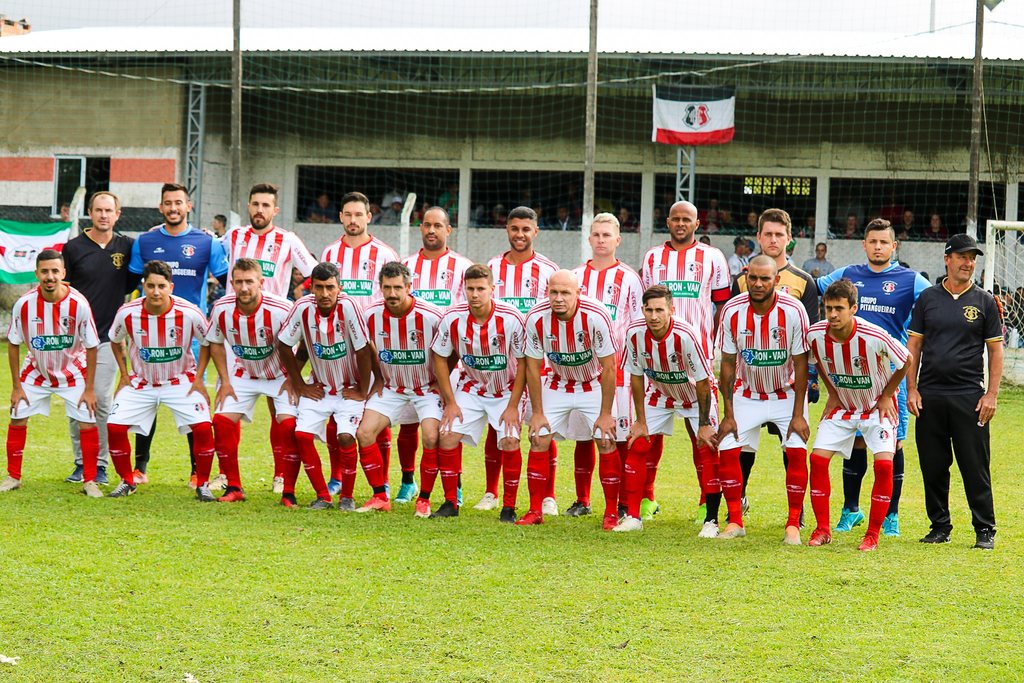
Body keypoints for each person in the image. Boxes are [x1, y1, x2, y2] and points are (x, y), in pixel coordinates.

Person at [815, 218, 931, 536]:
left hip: (890, 377)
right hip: (851, 379)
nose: (878, 247)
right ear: (864, 245)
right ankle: (850, 510)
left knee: (893, 447)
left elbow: (935, 301)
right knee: (853, 443)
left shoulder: (910, 280)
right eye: (873, 241)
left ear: (894, 247)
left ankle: (891, 514)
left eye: (884, 242)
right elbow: (815, 287)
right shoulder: (848, 275)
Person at [128, 183, 229, 487]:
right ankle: (140, 468)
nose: (173, 208)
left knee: (192, 403)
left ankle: (197, 471)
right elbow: (131, 284)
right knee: (146, 400)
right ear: (161, 207)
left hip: (190, 339)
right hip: (149, 336)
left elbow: (227, 282)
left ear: (189, 206)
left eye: (178, 203)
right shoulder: (145, 241)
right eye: (167, 203)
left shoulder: (206, 242)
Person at [907, 234, 1002, 550]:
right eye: (962, 256)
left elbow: (996, 352)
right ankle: (939, 526)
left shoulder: (985, 301)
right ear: (947, 259)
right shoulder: (928, 299)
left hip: (969, 396)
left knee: (975, 466)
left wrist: (991, 395)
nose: (968, 262)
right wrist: (912, 389)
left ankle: (984, 530)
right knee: (933, 466)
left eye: (973, 257)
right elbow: (914, 347)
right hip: (930, 395)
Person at [221, 183, 318, 493]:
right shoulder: (234, 236)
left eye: (266, 205)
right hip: (236, 327)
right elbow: (210, 255)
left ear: (275, 210)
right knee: (228, 404)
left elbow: (315, 272)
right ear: (249, 207)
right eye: (255, 204)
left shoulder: (287, 240)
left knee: (281, 408)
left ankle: (281, 475)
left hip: (276, 329)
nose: (259, 210)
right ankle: (225, 475)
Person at [640, 200, 730, 520]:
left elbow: (721, 305)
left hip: (699, 361)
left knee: (703, 436)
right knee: (647, 437)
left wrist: (709, 343)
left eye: (686, 220)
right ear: (668, 221)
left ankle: (708, 501)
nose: (680, 224)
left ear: (696, 224)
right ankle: (645, 499)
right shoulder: (652, 257)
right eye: (675, 219)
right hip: (658, 363)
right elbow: (649, 304)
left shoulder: (712, 257)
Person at [805, 279, 909, 551]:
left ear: (854, 308)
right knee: (817, 460)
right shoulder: (815, 334)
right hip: (843, 407)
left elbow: (906, 361)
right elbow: (816, 362)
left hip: (877, 406)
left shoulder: (874, 335)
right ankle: (823, 529)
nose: (833, 315)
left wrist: (887, 395)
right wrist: (832, 392)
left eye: (839, 308)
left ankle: (872, 535)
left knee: (884, 465)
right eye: (828, 308)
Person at [716, 256, 811, 544]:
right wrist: (728, 413)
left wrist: (798, 415)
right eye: (753, 278)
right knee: (728, 446)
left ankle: (793, 523)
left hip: (787, 394)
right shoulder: (732, 310)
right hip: (748, 393)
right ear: (746, 278)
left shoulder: (794, 310)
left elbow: (801, 364)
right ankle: (735, 520)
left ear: (776, 281)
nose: (758, 284)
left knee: (795, 449)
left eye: (765, 279)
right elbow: (728, 364)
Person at [731, 208, 819, 513]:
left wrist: (813, 380)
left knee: (792, 444)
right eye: (767, 233)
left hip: (789, 384)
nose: (772, 239)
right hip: (750, 382)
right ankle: (738, 497)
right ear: (758, 237)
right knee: (744, 445)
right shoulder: (743, 281)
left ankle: (797, 508)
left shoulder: (804, 281)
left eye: (779, 234)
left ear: (789, 238)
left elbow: (810, 337)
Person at [105, 260, 214, 499]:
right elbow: (115, 340)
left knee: (204, 426)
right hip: (141, 382)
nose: (156, 291)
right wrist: (124, 375)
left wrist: (198, 378)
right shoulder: (127, 313)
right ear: (143, 285)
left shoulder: (189, 312)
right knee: (114, 426)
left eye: (161, 286)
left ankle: (202, 484)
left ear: (171, 287)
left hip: (181, 380)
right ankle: (127, 481)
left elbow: (208, 343)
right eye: (151, 285)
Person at [520, 270, 619, 528]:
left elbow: (610, 367)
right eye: (554, 292)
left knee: (606, 440)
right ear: (547, 292)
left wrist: (606, 413)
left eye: (565, 292)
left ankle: (610, 512)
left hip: (594, 384)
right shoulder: (536, 318)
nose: (559, 298)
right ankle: (534, 510)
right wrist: (538, 413)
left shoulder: (596, 316)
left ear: (578, 293)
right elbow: (532, 366)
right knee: (539, 437)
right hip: (558, 383)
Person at [617, 284, 717, 533]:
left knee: (707, 448)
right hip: (660, 393)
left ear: (671, 309)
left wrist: (704, 425)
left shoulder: (685, 335)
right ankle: (633, 516)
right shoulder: (634, 333)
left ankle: (710, 518)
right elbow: (637, 377)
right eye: (649, 310)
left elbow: (704, 382)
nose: (653, 316)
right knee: (637, 444)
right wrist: (640, 420)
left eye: (659, 310)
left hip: (695, 395)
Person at [432, 264, 528, 523]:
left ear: (492, 289)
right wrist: (450, 402)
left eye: (480, 289)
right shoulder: (453, 317)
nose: (474, 294)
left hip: (506, 389)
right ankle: (451, 502)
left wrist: (513, 406)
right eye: (470, 289)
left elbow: (523, 364)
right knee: (448, 435)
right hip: (471, 386)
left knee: (509, 440)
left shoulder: (511, 318)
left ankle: (508, 507)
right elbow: (439, 358)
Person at [276, 262, 375, 510]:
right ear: (312, 288)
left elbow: (364, 350)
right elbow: (284, 345)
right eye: (319, 288)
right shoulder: (302, 308)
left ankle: (347, 498)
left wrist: (362, 389)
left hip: (348, 388)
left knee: (344, 437)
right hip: (319, 386)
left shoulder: (349, 307)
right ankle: (323, 496)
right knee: (302, 435)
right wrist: (299, 384)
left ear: (339, 288)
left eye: (330, 287)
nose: (324, 294)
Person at [393, 207, 474, 504]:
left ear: (448, 230)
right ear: (420, 228)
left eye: (438, 225)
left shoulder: (463, 267)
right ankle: (407, 481)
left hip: (450, 359)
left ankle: (457, 485)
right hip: (410, 356)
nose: (431, 230)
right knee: (409, 421)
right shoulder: (405, 265)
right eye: (426, 225)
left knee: (450, 422)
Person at [2, 251, 101, 496]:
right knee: (17, 417)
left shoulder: (78, 304)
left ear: (63, 273)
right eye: (44, 271)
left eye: (55, 271)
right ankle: (13, 476)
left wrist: (89, 389)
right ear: (36, 274)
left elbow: (91, 346)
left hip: (73, 373)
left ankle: (90, 480)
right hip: (35, 372)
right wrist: (16, 386)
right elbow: (13, 343)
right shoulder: (24, 304)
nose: (50, 276)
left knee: (87, 421)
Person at [320, 191, 400, 493]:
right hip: (337, 346)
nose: (353, 220)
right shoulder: (329, 252)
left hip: (374, 345)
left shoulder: (384, 254)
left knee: (377, 406)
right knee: (335, 408)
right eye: (348, 214)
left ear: (369, 216)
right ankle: (338, 476)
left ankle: (385, 481)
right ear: (341, 217)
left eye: (359, 215)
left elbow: (394, 298)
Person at [568, 212, 644, 519]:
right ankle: (582, 499)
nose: (601, 240)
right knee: (584, 436)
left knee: (618, 436)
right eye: (596, 235)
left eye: (606, 235)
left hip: (619, 370)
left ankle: (623, 501)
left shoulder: (629, 278)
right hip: (581, 371)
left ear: (617, 240)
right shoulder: (574, 277)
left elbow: (638, 322)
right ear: (589, 239)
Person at [205, 258, 299, 503]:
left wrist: (293, 378)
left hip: (280, 375)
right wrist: (224, 381)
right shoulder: (221, 308)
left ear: (261, 282)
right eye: (239, 282)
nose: (244, 288)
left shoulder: (280, 309)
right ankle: (233, 487)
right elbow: (214, 342)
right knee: (222, 421)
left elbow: (298, 342)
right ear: (232, 283)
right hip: (242, 373)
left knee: (289, 426)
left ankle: (288, 490)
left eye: (249, 282)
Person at [355, 262, 446, 515]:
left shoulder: (432, 315)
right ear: (380, 288)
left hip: (426, 387)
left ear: (409, 287)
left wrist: (441, 380)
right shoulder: (370, 315)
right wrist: (378, 377)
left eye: (397, 288)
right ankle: (380, 497)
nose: (392, 294)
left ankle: (424, 499)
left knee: (430, 436)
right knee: (364, 433)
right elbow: (365, 346)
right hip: (393, 388)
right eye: (387, 288)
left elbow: (452, 349)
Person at [487, 206, 560, 514]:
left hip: (537, 363)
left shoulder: (547, 270)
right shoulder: (491, 266)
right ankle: (492, 492)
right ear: (507, 230)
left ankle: (548, 495)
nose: (520, 234)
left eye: (525, 229)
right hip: (498, 363)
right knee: (499, 425)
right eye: (514, 229)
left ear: (535, 232)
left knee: (540, 426)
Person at [60, 191, 135, 486]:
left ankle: (100, 464)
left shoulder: (128, 247)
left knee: (102, 399)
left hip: (106, 338)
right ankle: (82, 463)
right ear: (90, 213)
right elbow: (62, 292)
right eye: (98, 210)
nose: (104, 215)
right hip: (74, 340)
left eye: (109, 210)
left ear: (118, 214)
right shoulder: (73, 248)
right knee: (76, 402)